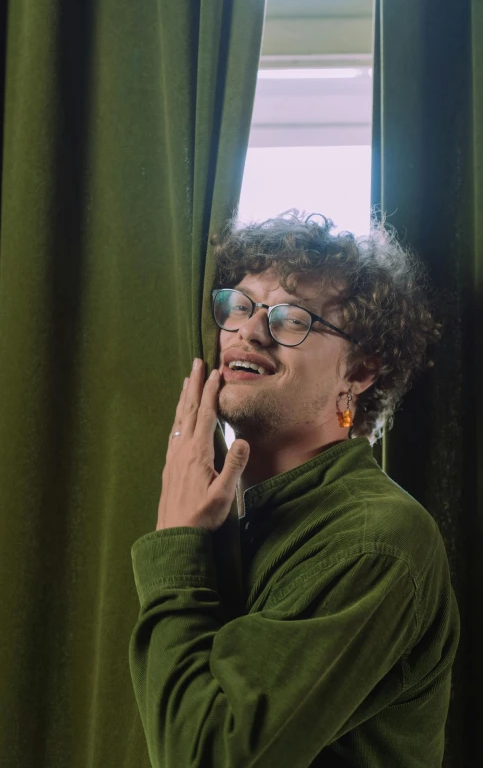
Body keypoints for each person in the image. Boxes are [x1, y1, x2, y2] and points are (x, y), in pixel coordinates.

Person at [129, 211, 460, 767]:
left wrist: (176, 543)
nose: (248, 331)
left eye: (291, 319)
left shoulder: (375, 541)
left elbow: (204, 756)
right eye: (239, 305)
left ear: (359, 372)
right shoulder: (241, 515)